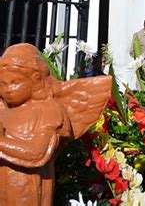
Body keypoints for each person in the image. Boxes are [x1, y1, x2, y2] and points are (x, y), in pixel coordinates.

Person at [0, 43, 111, 206]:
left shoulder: (47, 111)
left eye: (15, 82)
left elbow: (38, 152)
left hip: (28, 189)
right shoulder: (3, 109)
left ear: (36, 79)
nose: (8, 89)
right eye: (2, 83)